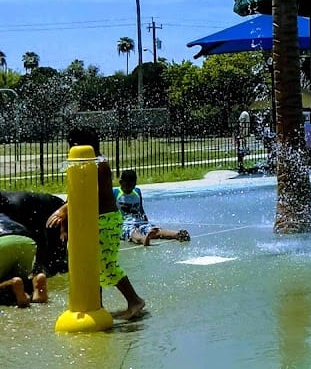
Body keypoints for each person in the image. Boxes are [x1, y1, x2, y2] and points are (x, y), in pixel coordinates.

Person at [46, 127, 146, 321]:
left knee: (106, 265)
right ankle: (96, 305)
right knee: (91, 265)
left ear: (80, 146)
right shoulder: (84, 164)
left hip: (105, 221)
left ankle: (135, 301)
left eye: (71, 146)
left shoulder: (100, 165)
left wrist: (64, 210)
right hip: (91, 221)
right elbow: (74, 192)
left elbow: (93, 194)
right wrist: (65, 225)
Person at [114, 169, 190, 246]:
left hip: (139, 221)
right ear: (121, 183)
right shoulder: (115, 193)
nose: (130, 188)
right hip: (125, 224)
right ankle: (143, 239)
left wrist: (146, 222)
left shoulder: (137, 191)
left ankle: (177, 234)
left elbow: (141, 209)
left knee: (155, 230)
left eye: (132, 185)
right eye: (127, 185)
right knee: (133, 233)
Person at [0, 213, 48, 308]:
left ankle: (13, 283)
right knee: (23, 276)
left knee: (14, 280)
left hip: (2, 243)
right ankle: (37, 284)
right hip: (25, 239)